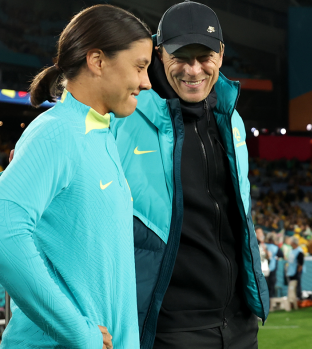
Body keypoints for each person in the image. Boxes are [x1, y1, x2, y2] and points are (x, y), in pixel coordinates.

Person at [0, 5, 152, 349]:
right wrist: (79, 333)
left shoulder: (102, 134)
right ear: (97, 61)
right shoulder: (58, 133)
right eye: (140, 67)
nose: (146, 82)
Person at [111, 2, 268, 347]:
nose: (194, 69)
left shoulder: (232, 121)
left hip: (239, 323)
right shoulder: (123, 115)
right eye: (181, 56)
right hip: (171, 326)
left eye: (204, 56)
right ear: (159, 54)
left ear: (221, 55)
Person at [286, 237, 304, 310]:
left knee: (296, 287)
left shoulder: (299, 251)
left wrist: (298, 272)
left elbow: (301, 263)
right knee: (292, 288)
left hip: (296, 272)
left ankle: (298, 301)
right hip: (291, 271)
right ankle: (293, 302)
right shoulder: (292, 251)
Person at [265, 233, 284, 299]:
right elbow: (281, 255)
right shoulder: (275, 247)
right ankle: (270, 297)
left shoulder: (264, 245)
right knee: (271, 283)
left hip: (265, 268)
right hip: (271, 267)